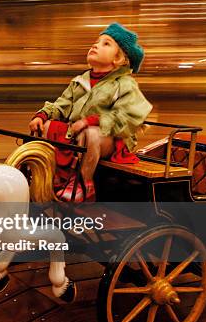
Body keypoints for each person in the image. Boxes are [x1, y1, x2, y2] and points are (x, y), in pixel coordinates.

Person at [29, 22, 152, 202]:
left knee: (91, 133)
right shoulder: (80, 81)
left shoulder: (124, 84)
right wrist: (43, 115)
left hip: (109, 138)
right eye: (96, 41)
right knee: (47, 126)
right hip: (77, 134)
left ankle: (83, 183)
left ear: (118, 59)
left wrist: (92, 121)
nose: (96, 45)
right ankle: (53, 174)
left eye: (106, 43)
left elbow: (129, 115)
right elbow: (61, 105)